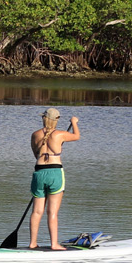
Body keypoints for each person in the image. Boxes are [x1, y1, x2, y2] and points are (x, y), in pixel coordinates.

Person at [29, 107, 80, 250]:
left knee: (37, 211)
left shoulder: (35, 134)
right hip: (55, 173)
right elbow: (76, 136)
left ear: (44, 118)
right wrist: (74, 122)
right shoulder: (61, 135)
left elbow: (36, 154)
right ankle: (54, 244)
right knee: (52, 212)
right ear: (56, 120)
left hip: (39, 172)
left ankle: (32, 243)